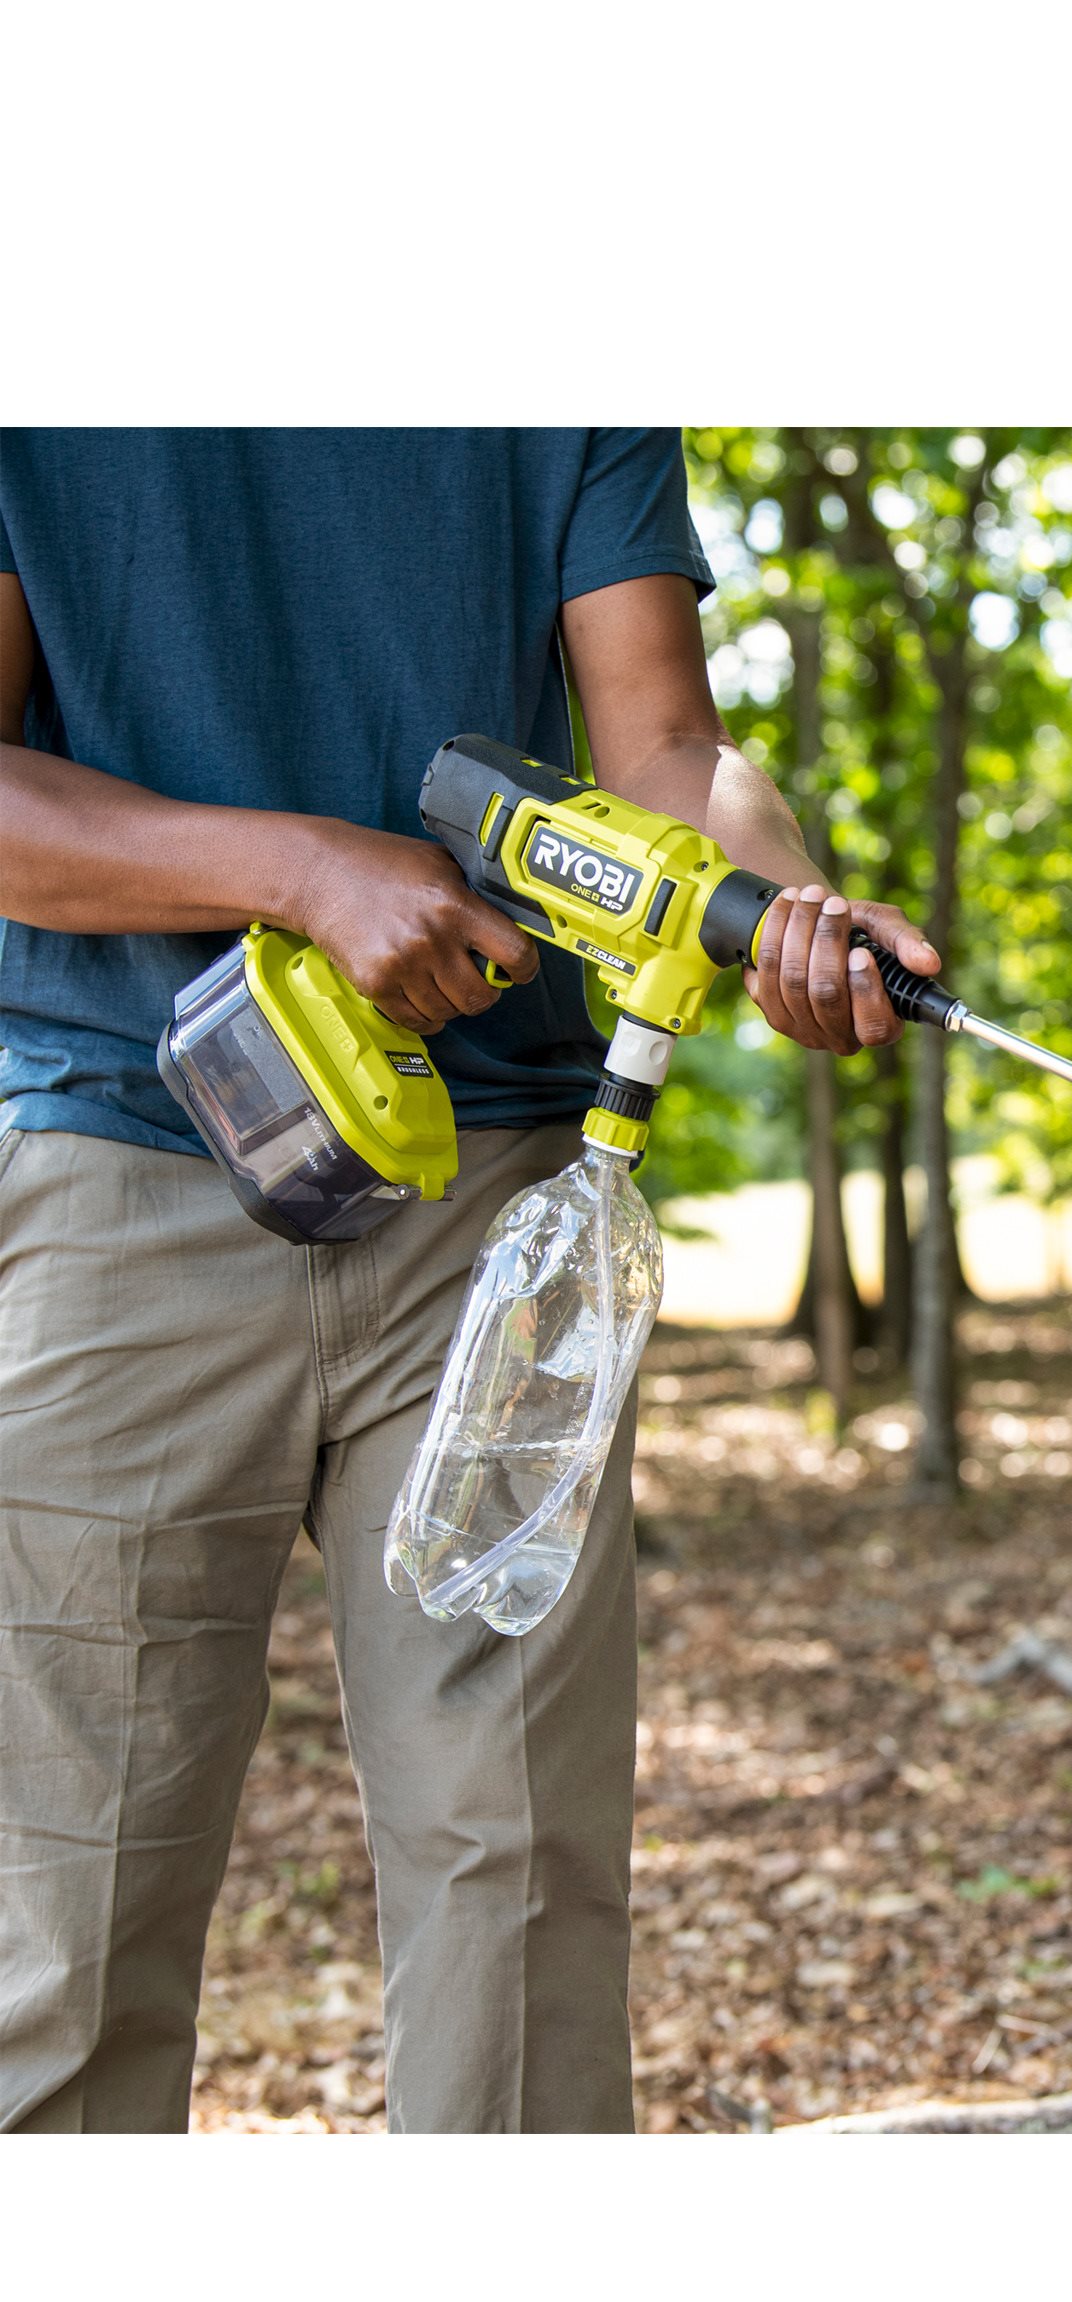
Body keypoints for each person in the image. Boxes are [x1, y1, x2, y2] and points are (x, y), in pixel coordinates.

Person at [0, 428, 935, 2132]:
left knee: (517, 1887)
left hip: (492, 1214)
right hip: (120, 1180)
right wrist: (296, 871)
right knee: (69, 1924)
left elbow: (665, 749)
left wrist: (780, 902)